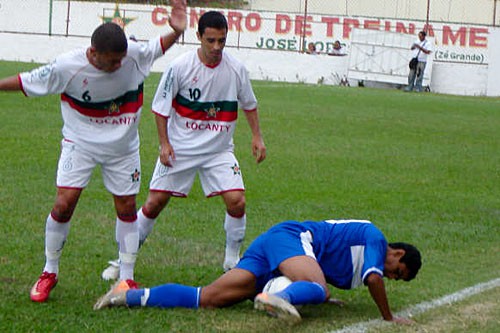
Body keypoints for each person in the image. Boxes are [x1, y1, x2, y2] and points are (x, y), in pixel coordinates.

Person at [0, 0, 187, 302]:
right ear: (92, 53)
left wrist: (176, 32)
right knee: (64, 204)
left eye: (121, 60)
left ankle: (127, 278)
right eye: (111, 61)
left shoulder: (133, 56)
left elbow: (157, 46)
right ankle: (49, 271)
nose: (118, 66)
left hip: (123, 149)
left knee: (126, 208)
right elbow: (25, 81)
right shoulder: (68, 67)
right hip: (80, 144)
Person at [101, 11, 266, 280]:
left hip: (219, 150)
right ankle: (123, 260)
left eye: (221, 41)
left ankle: (232, 261)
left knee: (237, 202)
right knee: (154, 203)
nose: (216, 47)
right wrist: (164, 144)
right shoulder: (180, 67)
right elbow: (161, 108)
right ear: (198, 37)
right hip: (181, 149)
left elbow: (249, 103)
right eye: (210, 40)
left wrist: (257, 137)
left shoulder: (236, 69)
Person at [94, 219, 422, 325]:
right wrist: (388, 317)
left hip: (274, 249)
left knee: (207, 298)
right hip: (289, 238)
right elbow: (374, 278)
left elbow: (318, 266)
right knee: (317, 288)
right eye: (399, 271)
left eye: (398, 279)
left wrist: (323, 294)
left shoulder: (356, 259)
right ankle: (272, 297)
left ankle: (127, 294)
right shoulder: (376, 239)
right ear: (396, 252)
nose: (392, 277)